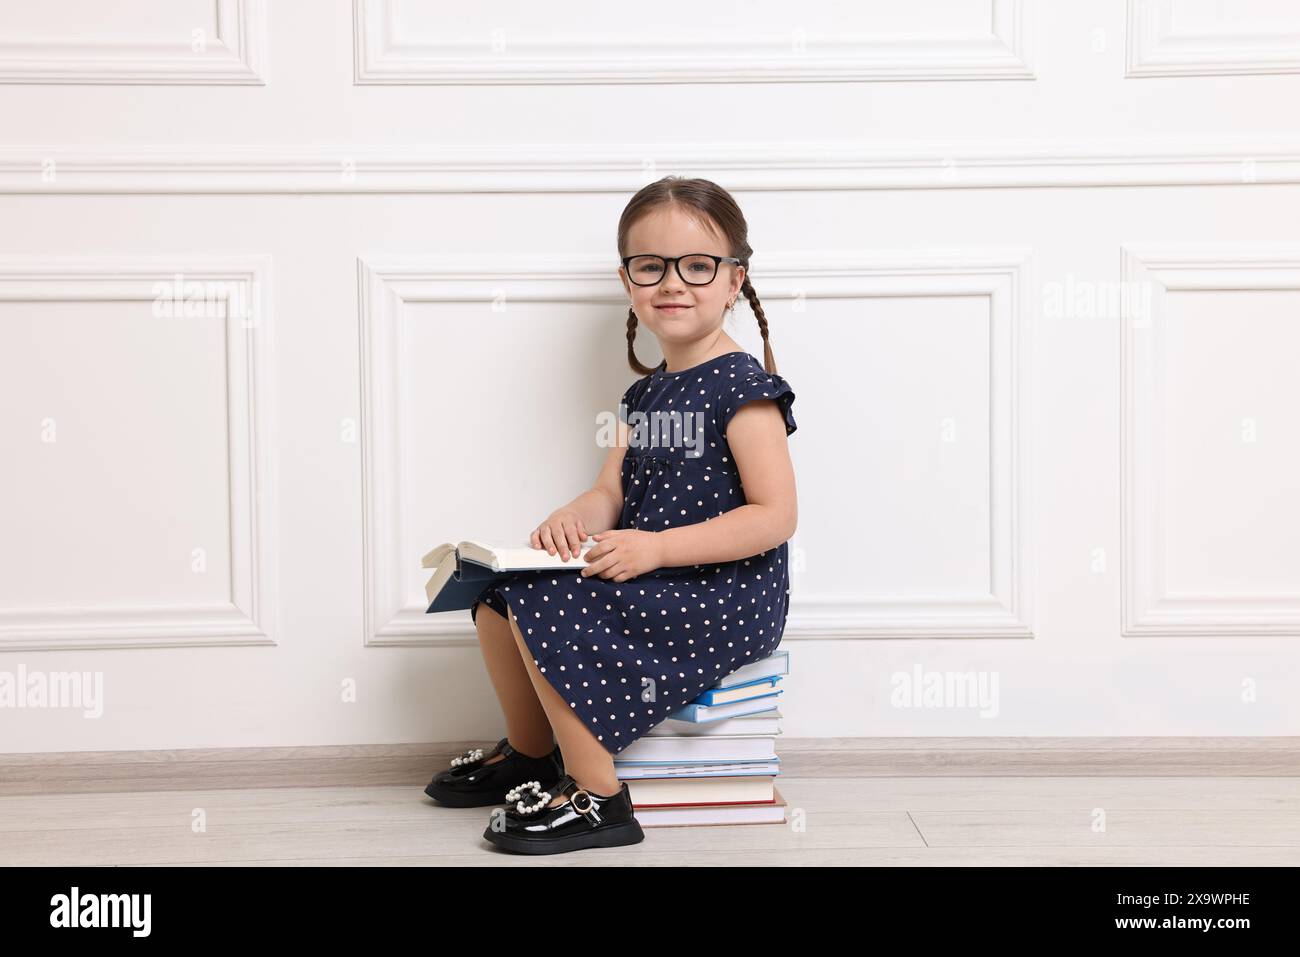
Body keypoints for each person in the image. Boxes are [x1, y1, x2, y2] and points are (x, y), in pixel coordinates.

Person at [426, 175, 799, 855]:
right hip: (657, 571)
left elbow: (775, 517)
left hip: (724, 588)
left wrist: (656, 550)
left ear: (735, 279)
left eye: (697, 266)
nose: (672, 283)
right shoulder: (643, 394)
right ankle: (533, 754)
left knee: (547, 606)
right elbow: (610, 493)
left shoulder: (745, 390)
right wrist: (577, 511)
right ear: (628, 280)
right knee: (497, 598)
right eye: (650, 266)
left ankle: (599, 797)